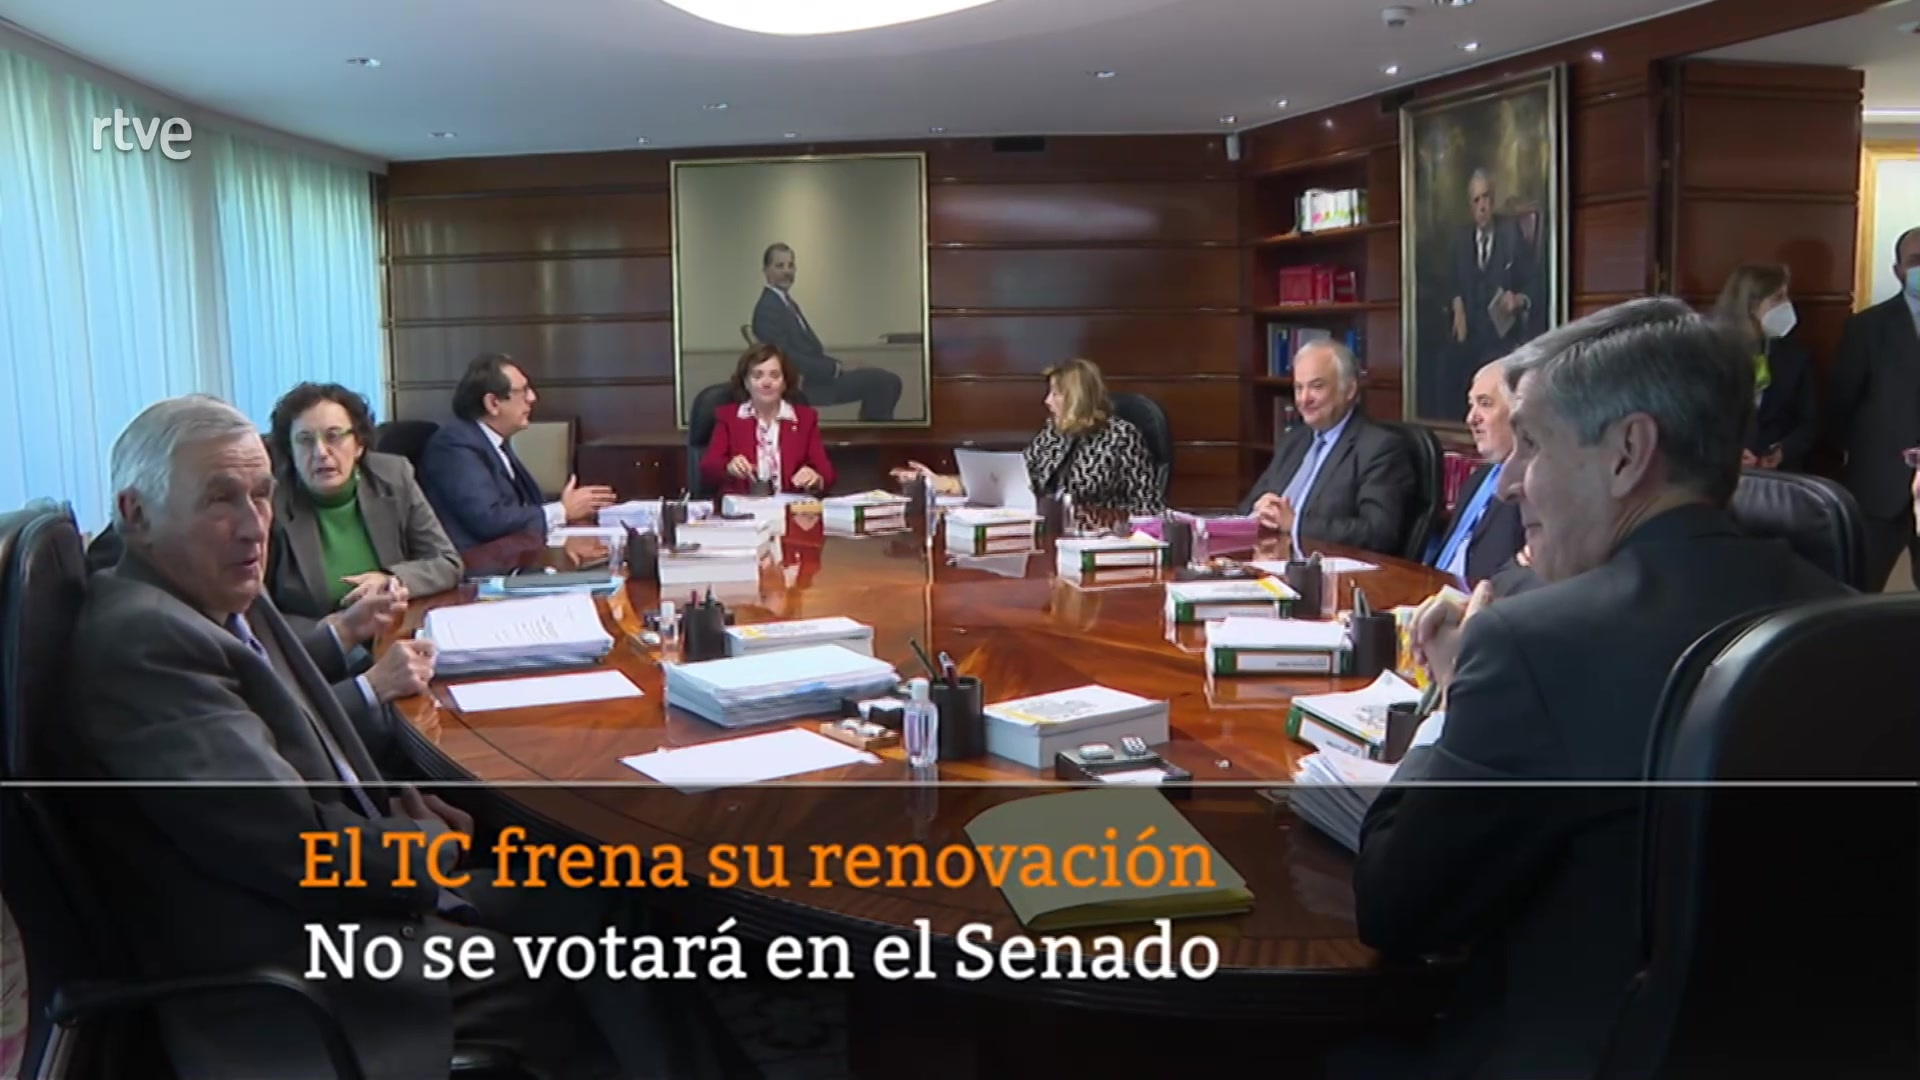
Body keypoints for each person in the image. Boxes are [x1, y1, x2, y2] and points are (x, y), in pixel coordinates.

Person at [1347, 298, 1847, 1080]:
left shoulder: (1531, 646)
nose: (1508, 483)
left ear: (1627, 453)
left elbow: (1394, 907)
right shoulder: (1855, 624)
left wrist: (1446, 701)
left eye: (1532, 444)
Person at [63, 395, 632, 1079]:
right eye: (219, 499)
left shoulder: (210, 588)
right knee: (589, 969)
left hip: (362, 899)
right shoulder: (144, 641)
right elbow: (298, 851)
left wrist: (393, 803)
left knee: (602, 901)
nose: (253, 525)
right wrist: (430, 846)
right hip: (312, 964)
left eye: (261, 495)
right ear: (135, 514)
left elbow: (285, 726)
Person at [265, 382, 462, 621]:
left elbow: (446, 562)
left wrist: (392, 580)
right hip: (313, 640)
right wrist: (335, 633)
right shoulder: (270, 502)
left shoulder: (393, 477)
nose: (320, 452)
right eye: (305, 440)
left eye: (333, 436)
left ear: (358, 444)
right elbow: (257, 610)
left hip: (391, 629)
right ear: (290, 450)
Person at [893, 357, 1164, 517]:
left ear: (1077, 397)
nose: (1047, 401)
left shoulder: (1121, 436)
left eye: (1055, 394)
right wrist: (938, 482)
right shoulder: (1054, 432)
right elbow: (1016, 480)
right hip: (1048, 533)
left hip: (1101, 543)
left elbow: (1148, 507)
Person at [417, 354, 616, 552]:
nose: (532, 398)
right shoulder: (454, 445)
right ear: (493, 403)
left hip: (511, 554)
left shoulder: (493, 441)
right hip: (477, 563)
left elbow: (525, 507)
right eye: (523, 391)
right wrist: (562, 511)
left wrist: (569, 508)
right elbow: (489, 521)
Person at [1237, 340, 1414, 556]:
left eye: (1317, 386)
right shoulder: (1295, 440)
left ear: (1349, 390)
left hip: (1327, 569)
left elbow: (1377, 533)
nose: (1304, 399)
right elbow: (1246, 508)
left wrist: (1295, 523)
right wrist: (1258, 512)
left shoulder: (1380, 447)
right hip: (1270, 560)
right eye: (1299, 388)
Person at [1829, 225, 1920, 590]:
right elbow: (1840, 404)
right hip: (1880, 487)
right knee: (1859, 590)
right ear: (1898, 270)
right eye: (1916, 260)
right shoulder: (1867, 328)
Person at [750, 242, 904, 421]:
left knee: (884, 380)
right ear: (766, 271)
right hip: (807, 385)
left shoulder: (785, 303)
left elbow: (809, 352)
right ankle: (874, 436)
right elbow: (785, 358)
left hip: (817, 378)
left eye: (790, 265)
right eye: (779, 266)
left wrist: (843, 365)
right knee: (885, 383)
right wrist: (837, 369)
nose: (787, 271)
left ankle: (872, 433)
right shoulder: (768, 308)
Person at [1432, 167, 1535, 419]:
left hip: (1501, 335)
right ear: (1470, 205)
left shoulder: (1511, 233)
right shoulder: (1460, 239)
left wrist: (1519, 300)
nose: (1482, 206)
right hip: (1468, 332)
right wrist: (1457, 306)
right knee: (1445, 369)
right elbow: (1451, 282)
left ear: (1494, 199)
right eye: (1476, 200)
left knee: (1495, 378)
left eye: (1486, 197)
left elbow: (1533, 280)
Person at [1422, 359, 1524, 587]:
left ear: (1519, 413)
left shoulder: (1531, 487)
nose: (1471, 418)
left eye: (1485, 404)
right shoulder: (1478, 479)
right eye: (1471, 405)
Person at [1710, 263, 1817, 471]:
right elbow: (1693, 419)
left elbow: (1809, 422)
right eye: (1778, 298)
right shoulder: (1709, 352)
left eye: (1787, 296)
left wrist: (1783, 450)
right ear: (1751, 305)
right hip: (1719, 472)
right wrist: (1730, 451)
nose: (1787, 306)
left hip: (1779, 476)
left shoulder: (1795, 355)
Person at [699, 344, 836, 496]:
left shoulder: (805, 419)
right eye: (758, 376)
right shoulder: (729, 417)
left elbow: (827, 473)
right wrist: (728, 467)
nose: (766, 382)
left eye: (774, 375)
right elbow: (708, 468)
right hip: (744, 506)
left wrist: (815, 478)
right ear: (746, 382)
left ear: (784, 383)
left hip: (789, 506)